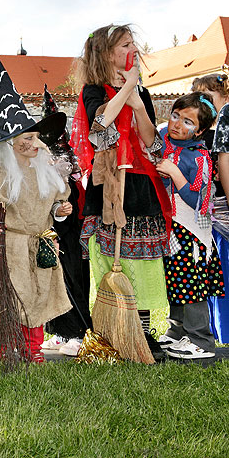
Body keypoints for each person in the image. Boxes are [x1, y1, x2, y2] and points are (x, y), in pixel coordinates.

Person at [70, 24, 171, 353]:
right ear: (107, 53)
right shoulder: (93, 91)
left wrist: (138, 101)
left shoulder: (141, 92)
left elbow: (152, 143)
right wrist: (127, 89)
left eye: (134, 43)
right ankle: (114, 330)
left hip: (140, 186)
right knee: (111, 262)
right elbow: (100, 133)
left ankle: (140, 333)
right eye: (126, 44)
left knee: (140, 266)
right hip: (109, 187)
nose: (134, 49)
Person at [0, 62, 72, 363]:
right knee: (12, 296)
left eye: (36, 138)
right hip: (13, 245)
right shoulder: (0, 173)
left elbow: (53, 205)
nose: (34, 144)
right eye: (27, 139)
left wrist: (61, 210)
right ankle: (4, 346)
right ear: (10, 144)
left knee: (40, 293)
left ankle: (33, 349)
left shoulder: (47, 173)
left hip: (40, 242)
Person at [155, 93, 224, 359]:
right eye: (175, 116)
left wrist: (175, 173)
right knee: (175, 281)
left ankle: (201, 339)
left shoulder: (200, 158)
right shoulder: (162, 141)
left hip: (191, 231)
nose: (177, 125)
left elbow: (201, 201)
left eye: (187, 121)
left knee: (192, 284)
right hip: (169, 226)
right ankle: (177, 331)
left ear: (202, 130)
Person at [38, 86, 93, 356]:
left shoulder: (68, 159)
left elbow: (73, 192)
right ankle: (60, 330)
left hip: (70, 229)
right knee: (52, 279)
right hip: (49, 226)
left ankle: (79, 331)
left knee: (72, 277)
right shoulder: (41, 158)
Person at [191, 73, 229, 343]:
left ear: (225, 98)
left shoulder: (222, 128)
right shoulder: (195, 135)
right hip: (210, 217)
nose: (205, 103)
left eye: (210, 97)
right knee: (215, 278)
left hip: (221, 210)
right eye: (200, 98)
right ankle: (219, 333)